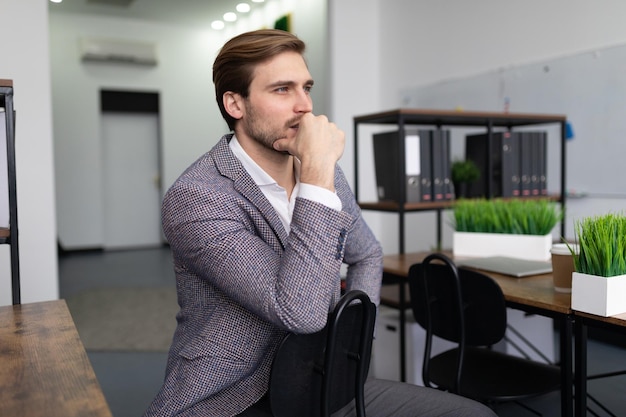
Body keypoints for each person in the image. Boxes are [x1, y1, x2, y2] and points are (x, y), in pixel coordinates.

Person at [144, 29, 497, 417]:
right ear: (235, 104)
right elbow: (299, 312)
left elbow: (367, 254)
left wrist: (355, 345)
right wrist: (316, 175)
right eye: (282, 90)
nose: (305, 106)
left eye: (306, 87)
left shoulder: (323, 171)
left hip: (321, 379)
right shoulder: (197, 196)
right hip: (235, 397)